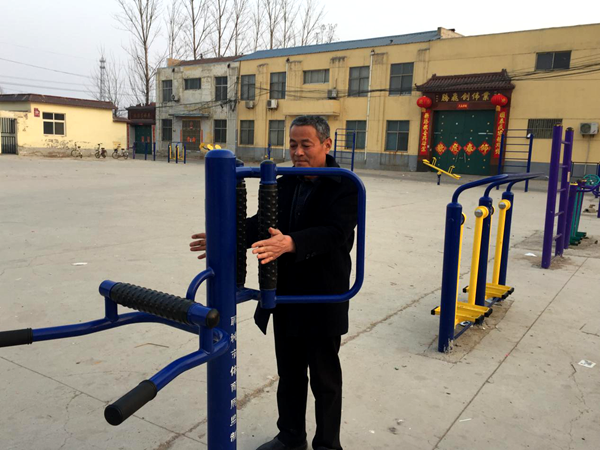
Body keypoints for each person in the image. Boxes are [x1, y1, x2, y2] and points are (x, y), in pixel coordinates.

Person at [190, 115, 358, 450]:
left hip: (323, 295)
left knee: (325, 379)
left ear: (326, 144)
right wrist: (225, 236)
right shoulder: (285, 182)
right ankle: (291, 437)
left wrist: (291, 242)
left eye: (306, 145)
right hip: (287, 294)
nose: (298, 152)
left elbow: (336, 232)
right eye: (293, 145)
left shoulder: (345, 184)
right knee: (290, 373)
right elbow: (262, 223)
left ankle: (327, 445)